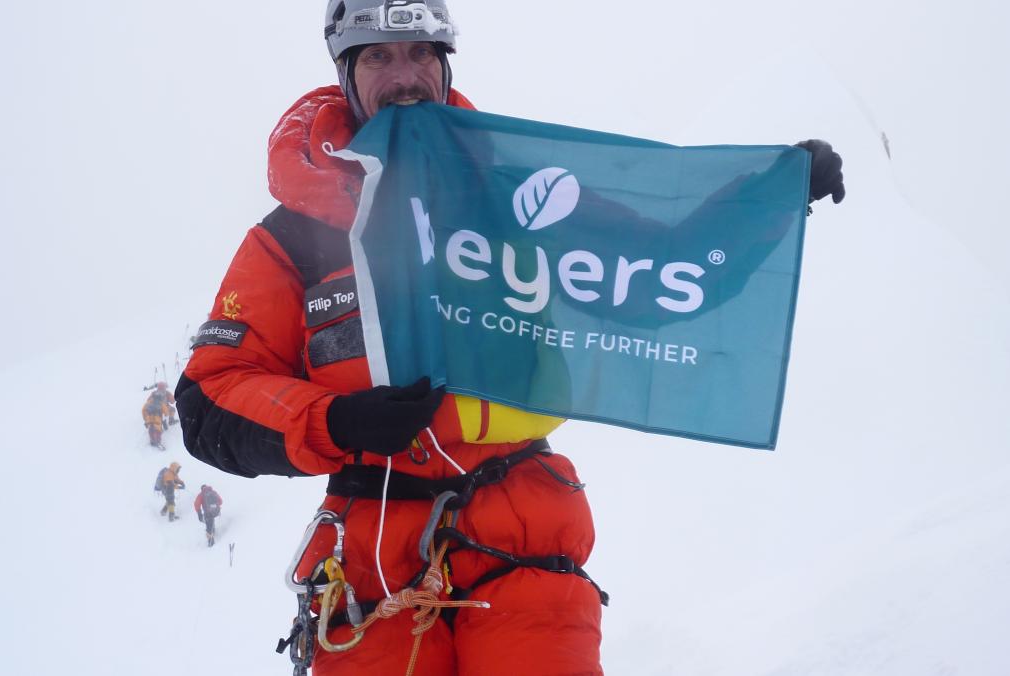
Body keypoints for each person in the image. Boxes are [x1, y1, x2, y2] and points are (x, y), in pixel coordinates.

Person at [176, 2, 844, 674]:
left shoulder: (518, 197)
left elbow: (653, 273)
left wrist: (770, 200)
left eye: (422, 54)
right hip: (373, 560)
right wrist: (337, 419)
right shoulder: (295, 235)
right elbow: (211, 394)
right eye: (378, 55)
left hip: (525, 538)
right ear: (346, 71)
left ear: (444, 67)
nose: (404, 75)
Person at [142, 382, 177, 450]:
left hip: (150, 414)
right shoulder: (166, 393)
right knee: (158, 427)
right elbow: (172, 401)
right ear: (164, 387)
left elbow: (146, 403)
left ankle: (152, 440)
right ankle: (171, 420)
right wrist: (166, 415)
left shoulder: (153, 394)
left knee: (151, 427)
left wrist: (145, 418)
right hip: (161, 411)